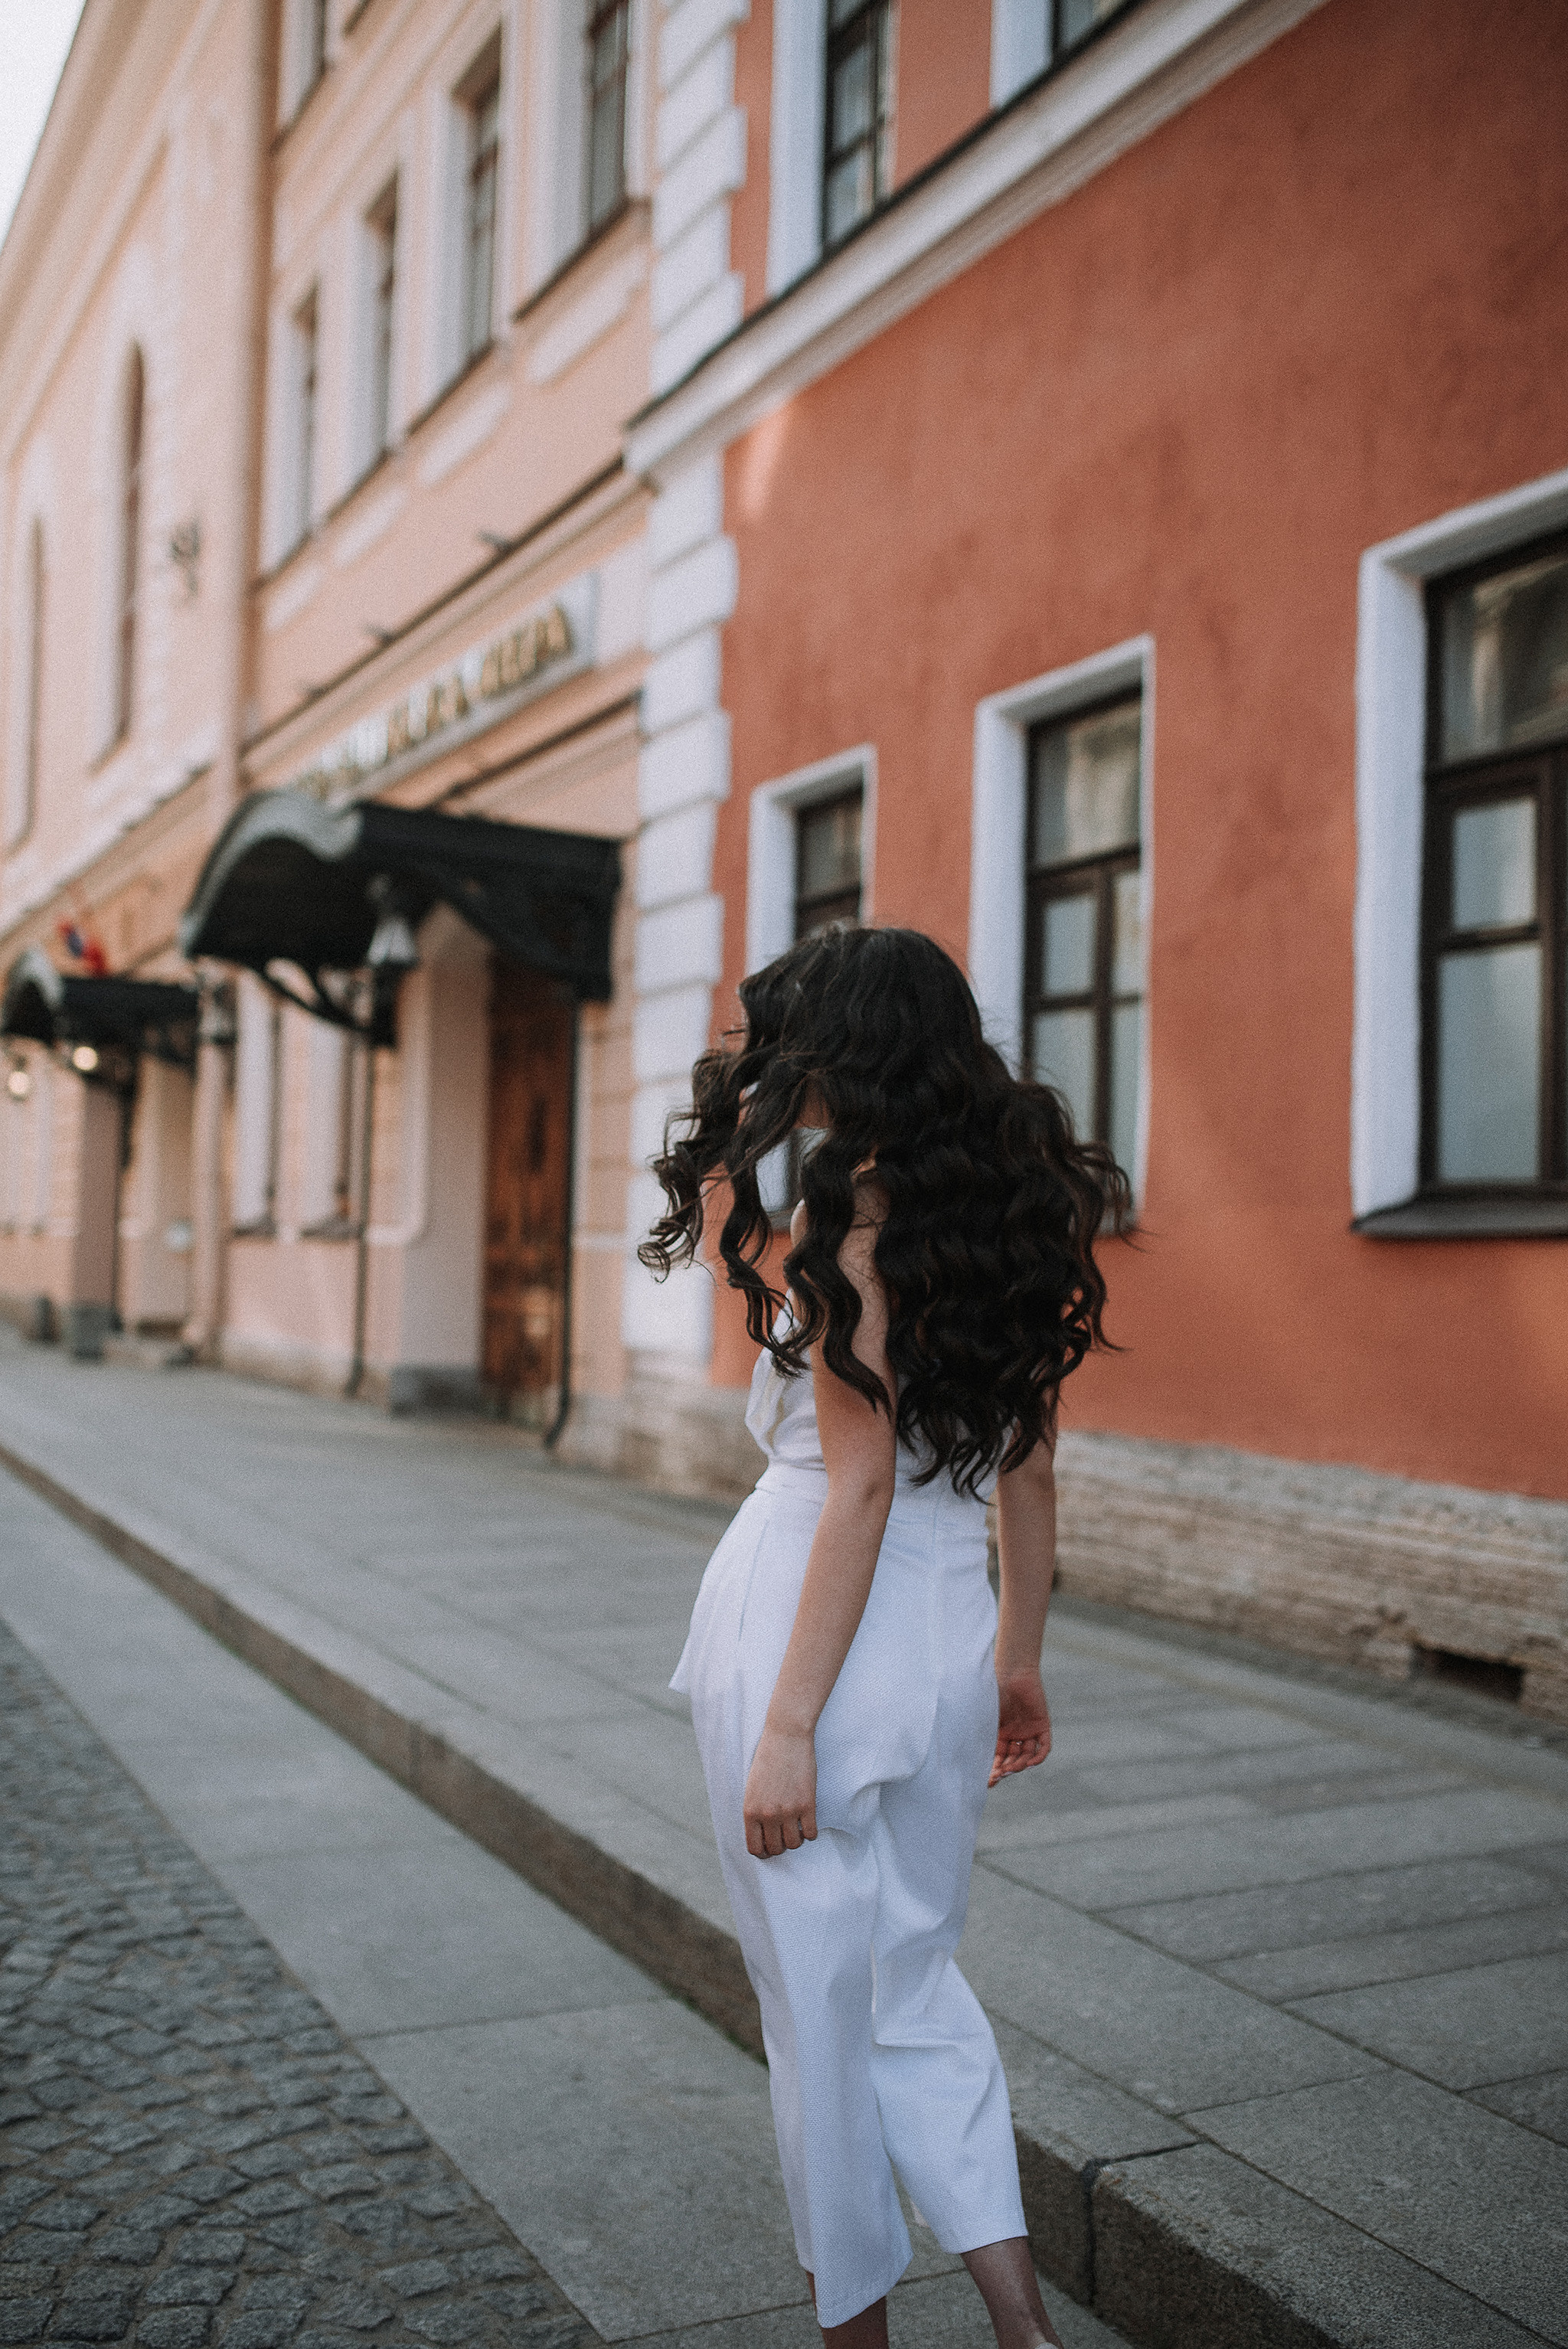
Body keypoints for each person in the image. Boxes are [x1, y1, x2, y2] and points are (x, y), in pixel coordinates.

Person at [640, 926, 1128, 2349]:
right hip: (948, 1638)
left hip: (807, 1628)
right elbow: (1028, 1466)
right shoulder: (1012, 1214)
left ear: (842, 1053)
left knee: (816, 2023)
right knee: (915, 1989)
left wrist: (788, 1726)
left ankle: (857, 2336)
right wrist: (1020, 1657)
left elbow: (851, 1484)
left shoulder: (840, 1228)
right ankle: (1025, 2330)